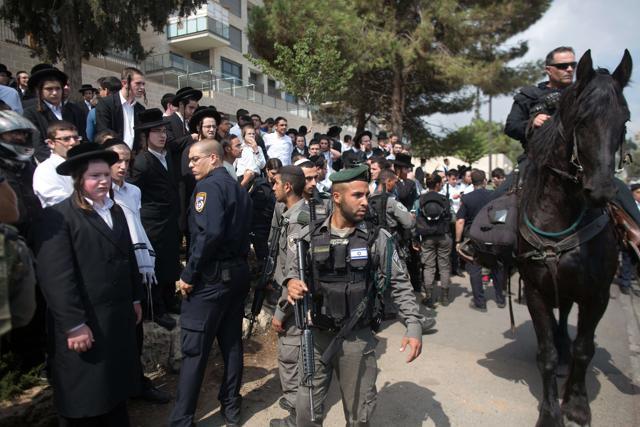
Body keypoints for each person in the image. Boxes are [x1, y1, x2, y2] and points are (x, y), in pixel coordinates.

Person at [284, 164, 423, 426]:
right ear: (336, 197)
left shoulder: (376, 238)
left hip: (356, 340)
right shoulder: (309, 236)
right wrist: (292, 282)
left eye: (366, 195)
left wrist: (413, 324)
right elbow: (292, 270)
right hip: (315, 338)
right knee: (306, 414)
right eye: (357, 195)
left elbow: (400, 284)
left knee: (359, 416)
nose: (365, 202)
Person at [34, 143, 142, 426]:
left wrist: (134, 298)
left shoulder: (116, 210)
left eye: (106, 174)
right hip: (84, 323)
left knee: (114, 393)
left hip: (115, 319)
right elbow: (56, 277)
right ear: (79, 179)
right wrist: (73, 324)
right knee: (85, 399)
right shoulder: (58, 216)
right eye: (95, 176)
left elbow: (127, 259)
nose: (104, 181)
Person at [170, 139, 252, 427]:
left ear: (214, 159)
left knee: (194, 350)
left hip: (211, 279)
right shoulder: (236, 188)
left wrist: (189, 275)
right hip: (237, 274)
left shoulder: (207, 187)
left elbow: (208, 235)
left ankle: (182, 419)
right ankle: (231, 407)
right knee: (231, 344)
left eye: (195, 159)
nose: (190, 165)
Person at [104, 138, 171, 404]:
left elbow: (136, 228)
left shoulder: (133, 191)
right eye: (116, 160)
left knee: (136, 329)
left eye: (127, 160)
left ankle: (137, 383)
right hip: (111, 269)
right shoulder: (100, 192)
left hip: (137, 265)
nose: (122, 166)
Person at [129, 109, 180, 330]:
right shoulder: (142, 161)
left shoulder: (167, 155)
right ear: (145, 135)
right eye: (156, 132)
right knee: (156, 264)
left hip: (170, 220)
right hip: (152, 222)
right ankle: (156, 308)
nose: (162, 135)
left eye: (164, 131)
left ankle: (170, 301)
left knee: (170, 260)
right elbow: (133, 189)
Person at [268, 166, 309, 426]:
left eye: (275, 183)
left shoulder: (297, 220)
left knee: (290, 357)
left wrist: (280, 312)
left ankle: (296, 418)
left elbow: (295, 274)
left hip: (294, 303)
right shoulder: (291, 212)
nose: (272, 187)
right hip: (295, 299)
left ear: (287, 187)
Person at [455, 169, 505, 311]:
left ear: (471, 181)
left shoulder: (466, 198)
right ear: (484, 181)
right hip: (493, 235)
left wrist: (458, 241)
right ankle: (500, 299)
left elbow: (460, 221)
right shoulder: (495, 196)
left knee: (475, 267)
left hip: (473, 237)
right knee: (496, 266)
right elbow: (501, 217)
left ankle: (480, 302)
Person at [23, 65, 86, 162]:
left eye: (58, 88)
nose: (55, 93)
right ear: (40, 91)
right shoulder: (31, 113)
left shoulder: (75, 110)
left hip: (77, 162)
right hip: (49, 162)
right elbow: (37, 145)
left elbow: (82, 138)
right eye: (49, 89)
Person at [416, 174, 453, 306]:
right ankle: (444, 297)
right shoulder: (445, 199)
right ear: (437, 184)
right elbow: (451, 217)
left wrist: (416, 237)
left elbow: (416, 218)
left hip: (427, 237)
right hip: (444, 235)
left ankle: (429, 297)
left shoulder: (420, 199)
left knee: (429, 266)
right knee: (444, 266)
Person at [94, 67, 146, 152]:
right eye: (138, 83)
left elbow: (141, 137)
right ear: (125, 83)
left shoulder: (140, 109)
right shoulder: (106, 104)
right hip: (112, 156)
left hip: (134, 159)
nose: (142, 87)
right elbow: (103, 133)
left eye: (143, 84)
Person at [32, 121, 80, 208]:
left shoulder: (83, 164)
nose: (73, 142)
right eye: (66, 139)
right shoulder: (45, 170)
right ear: (51, 143)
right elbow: (57, 202)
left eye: (76, 138)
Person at [86, 76, 122, 142]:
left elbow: (89, 137)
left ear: (106, 91)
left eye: (99, 90)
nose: (98, 93)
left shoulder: (93, 112)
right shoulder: (127, 109)